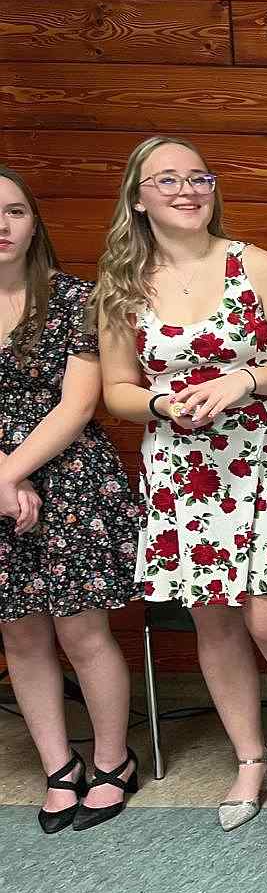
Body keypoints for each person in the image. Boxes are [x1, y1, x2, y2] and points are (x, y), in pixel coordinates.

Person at [93, 135, 267, 833]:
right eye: (167, 179)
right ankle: (250, 758)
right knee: (214, 622)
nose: (186, 190)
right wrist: (159, 403)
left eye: (198, 178)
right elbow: (116, 389)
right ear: (137, 199)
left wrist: (246, 380)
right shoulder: (121, 287)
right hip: (184, 472)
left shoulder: (252, 264)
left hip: (265, 458)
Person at [0, 167, 143, 833]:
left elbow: (78, 404)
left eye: (14, 211)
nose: (1, 225)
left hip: (70, 480)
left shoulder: (77, 299)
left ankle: (113, 762)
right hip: (1, 483)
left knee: (82, 632)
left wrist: (12, 474)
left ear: (35, 224)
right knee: (20, 634)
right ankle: (59, 767)